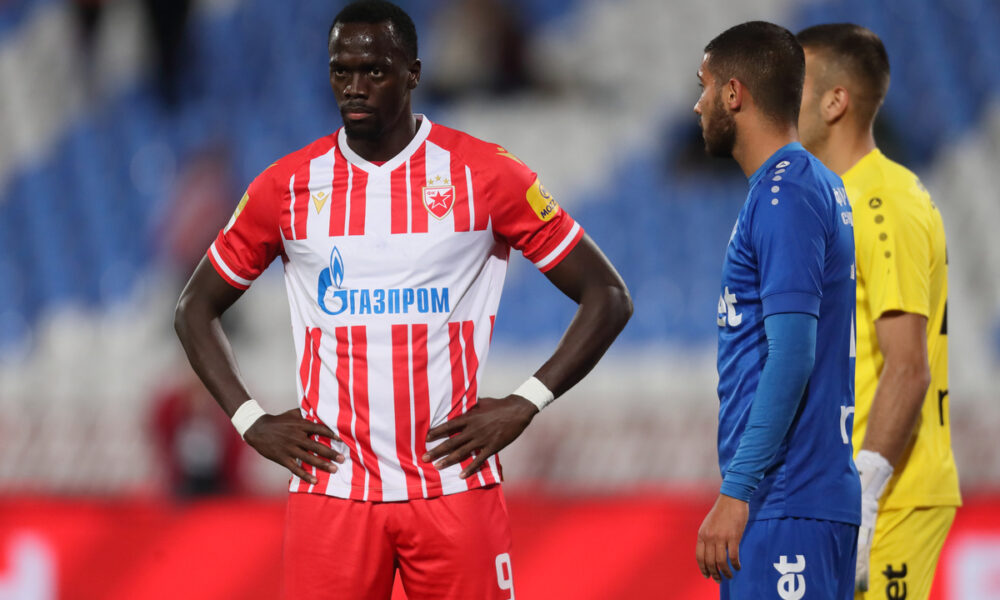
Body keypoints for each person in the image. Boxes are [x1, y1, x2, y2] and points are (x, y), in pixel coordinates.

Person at [172, 1, 632, 598]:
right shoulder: (286, 187)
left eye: (374, 71)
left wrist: (526, 402)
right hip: (333, 491)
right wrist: (249, 419)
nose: (355, 87)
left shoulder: (485, 176)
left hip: (452, 486)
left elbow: (608, 294)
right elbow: (193, 309)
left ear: (413, 72)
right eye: (341, 71)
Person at [692, 21, 860, 598]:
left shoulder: (784, 195)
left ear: (734, 94)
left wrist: (737, 490)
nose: (698, 105)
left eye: (705, 86)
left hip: (785, 497)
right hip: (802, 497)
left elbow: (791, 356)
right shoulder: (811, 183)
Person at [797, 23, 960, 599]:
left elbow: (908, 366)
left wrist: (863, 496)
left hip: (889, 496)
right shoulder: (835, 200)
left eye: (794, 82)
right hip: (839, 493)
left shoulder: (883, 201)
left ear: (836, 101)